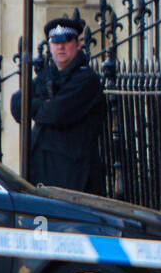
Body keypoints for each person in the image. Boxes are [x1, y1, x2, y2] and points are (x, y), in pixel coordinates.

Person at [10, 16, 107, 195]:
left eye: (67, 41)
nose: (61, 46)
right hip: (41, 168)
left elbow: (57, 113)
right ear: (50, 45)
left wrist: (38, 105)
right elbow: (17, 105)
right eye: (56, 41)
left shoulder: (86, 79)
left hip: (73, 176)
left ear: (78, 45)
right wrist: (43, 104)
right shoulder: (48, 75)